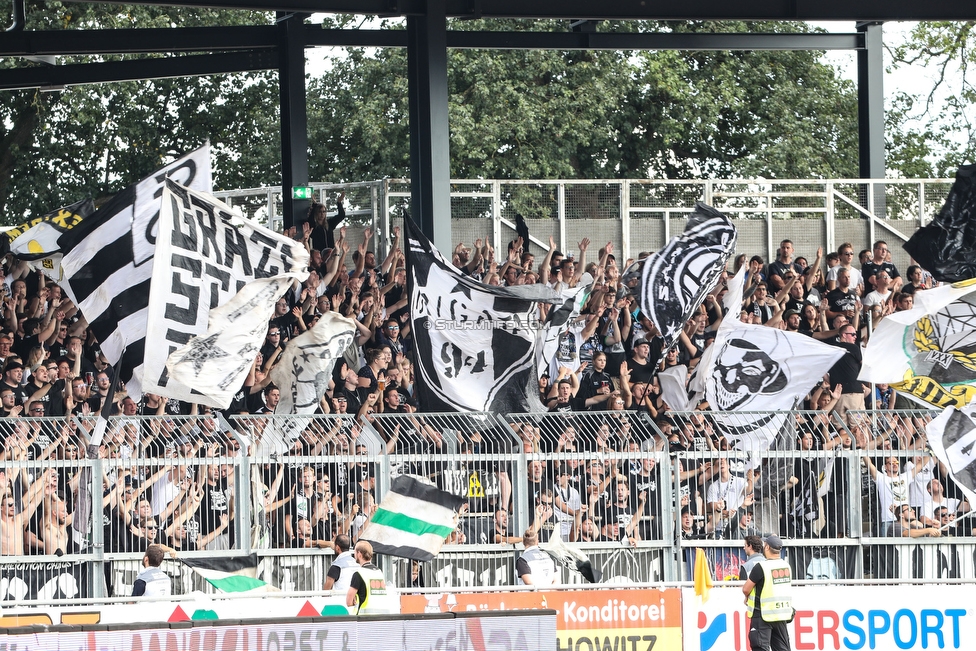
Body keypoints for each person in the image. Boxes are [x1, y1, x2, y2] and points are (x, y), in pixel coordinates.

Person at [742, 534, 794, 651]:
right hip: (780, 615)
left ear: (766, 547)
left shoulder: (761, 567)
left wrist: (747, 597)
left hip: (762, 615)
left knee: (760, 647)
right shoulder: (786, 566)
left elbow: (746, 589)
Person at [345, 540, 397, 614]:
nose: (354, 555)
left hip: (364, 618)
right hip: (382, 617)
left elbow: (349, 602)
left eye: (355, 552)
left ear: (359, 554)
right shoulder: (379, 572)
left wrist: (355, 598)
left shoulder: (359, 573)